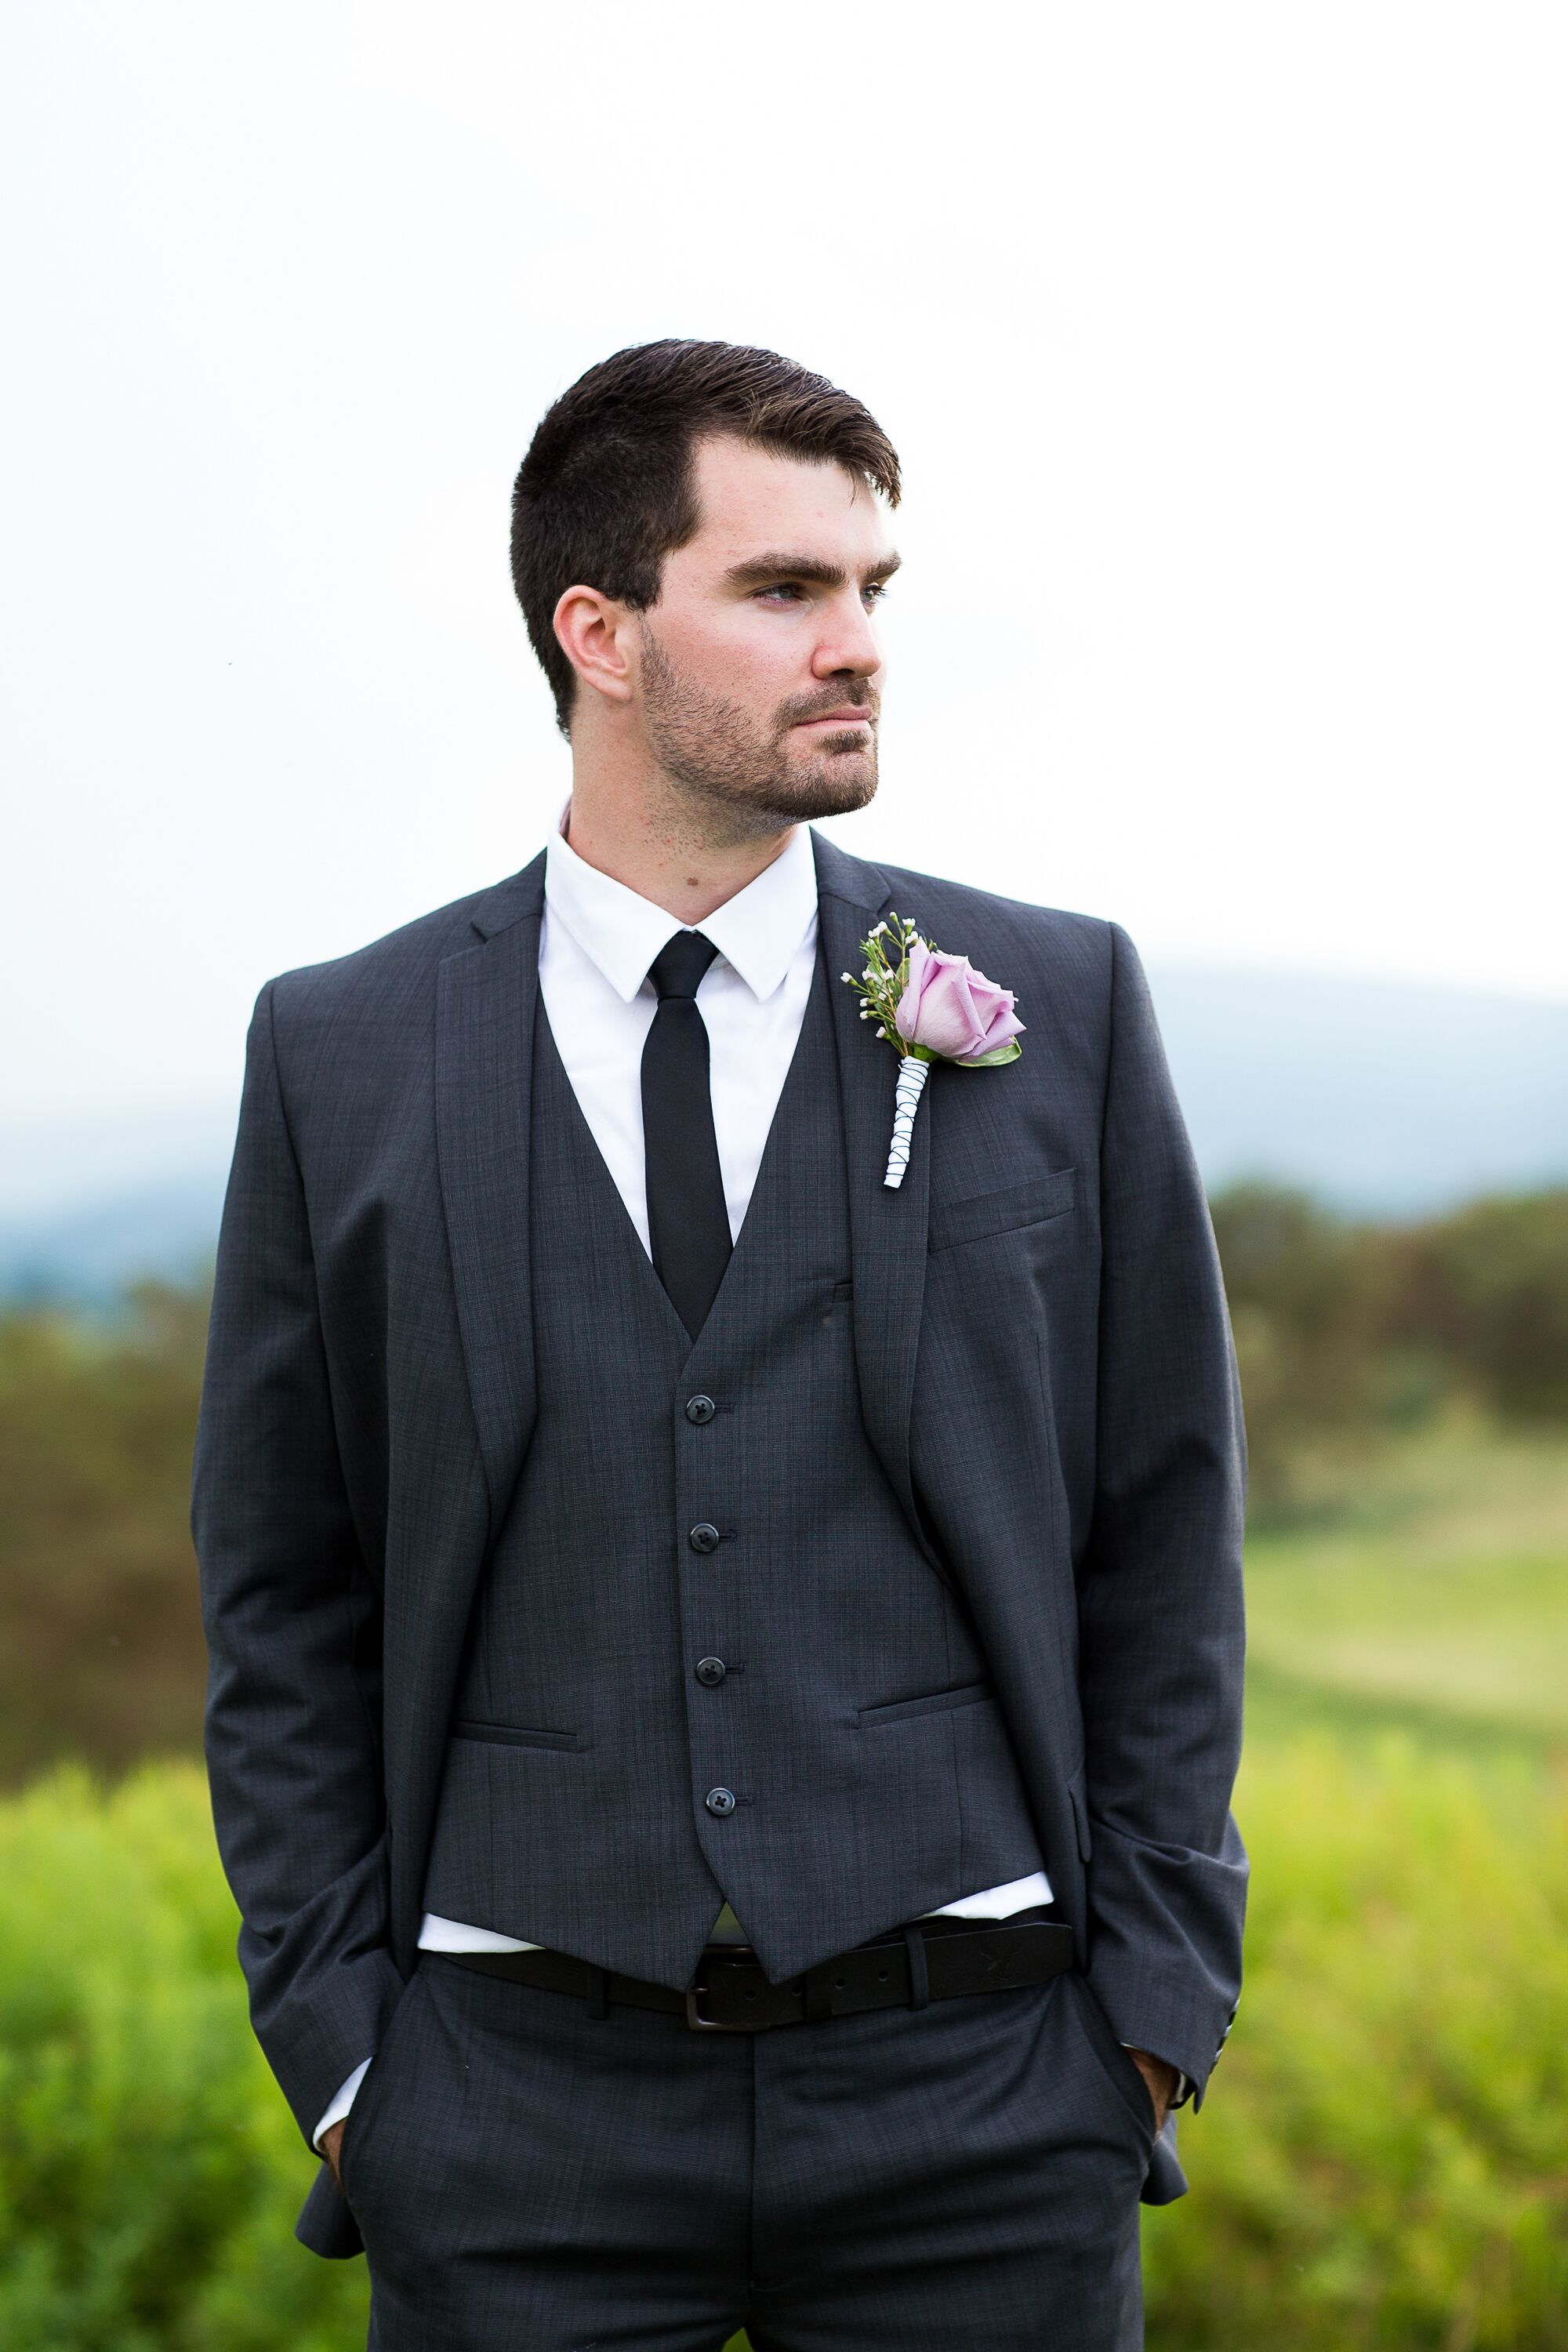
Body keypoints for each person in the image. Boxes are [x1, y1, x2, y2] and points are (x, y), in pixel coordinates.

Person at [195, 338, 1247, 2351]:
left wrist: (1150, 2013)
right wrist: (348, 2063)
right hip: (506, 2111)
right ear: (598, 628)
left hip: (989, 2092)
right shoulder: (338, 1050)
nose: (854, 645)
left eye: (871, 590)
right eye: (783, 591)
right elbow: (282, 1586)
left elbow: (1165, 1524)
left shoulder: (1057, 1000)